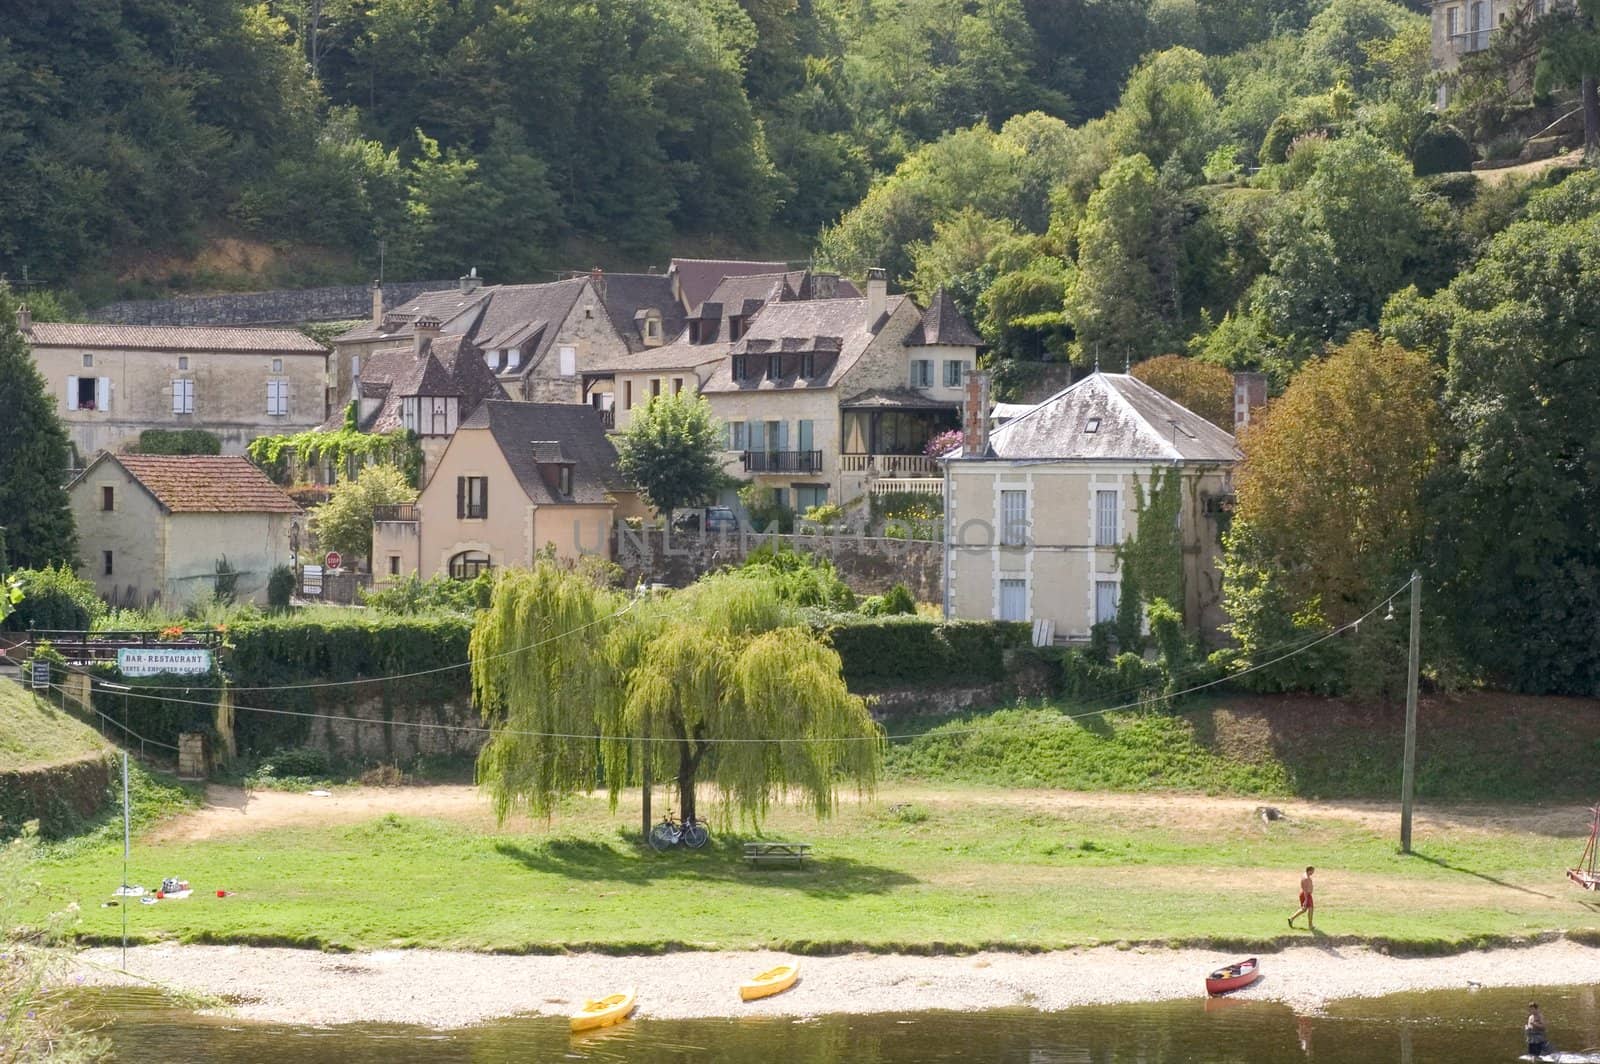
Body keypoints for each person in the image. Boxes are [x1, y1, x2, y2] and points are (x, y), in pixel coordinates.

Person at [1288, 866, 1314, 930]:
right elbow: (1305, 889)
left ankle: (1291, 918)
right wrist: (1306, 899)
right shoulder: (1306, 878)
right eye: (1312, 871)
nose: (1313, 872)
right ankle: (1310, 925)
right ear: (1309, 870)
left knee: (1304, 909)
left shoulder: (1305, 875)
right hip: (1306, 895)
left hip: (1306, 895)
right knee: (1311, 909)